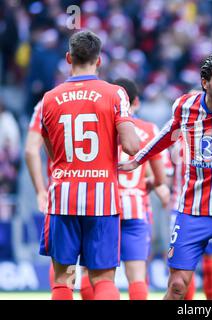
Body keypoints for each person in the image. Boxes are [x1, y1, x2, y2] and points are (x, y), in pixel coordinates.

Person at [120, 53, 212, 300]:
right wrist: (138, 159)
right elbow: (167, 134)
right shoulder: (186, 107)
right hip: (192, 211)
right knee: (178, 287)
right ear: (205, 82)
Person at [38, 30, 140, 300]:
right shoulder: (115, 94)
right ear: (99, 60)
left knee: (63, 279)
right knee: (103, 279)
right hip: (102, 198)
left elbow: (53, 152)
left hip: (63, 197)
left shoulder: (49, 98)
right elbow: (131, 146)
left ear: (68, 58)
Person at [26, 100, 95, 300]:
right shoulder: (105, 96)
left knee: (63, 273)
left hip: (62, 194)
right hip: (98, 195)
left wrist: (40, 190)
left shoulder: (47, 102)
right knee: (95, 272)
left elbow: (31, 150)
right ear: (97, 66)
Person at [114, 77, 171, 300]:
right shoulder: (148, 129)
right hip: (136, 206)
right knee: (137, 277)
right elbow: (161, 177)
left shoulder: (105, 127)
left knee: (98, 275)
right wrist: (154, 185)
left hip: (105, 206)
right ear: (136, 102)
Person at [169, 139, 212, 300]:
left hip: (182, 208)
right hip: (210, 207)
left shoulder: (177, 142)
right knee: (208, 264)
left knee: (184, 266)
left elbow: (168, 176)